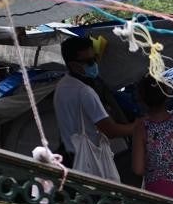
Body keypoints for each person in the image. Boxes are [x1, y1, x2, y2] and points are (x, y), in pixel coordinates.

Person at [53, 36, 133, 182]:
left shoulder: (61, 86)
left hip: (70, 156)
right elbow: (111, 130)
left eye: (95, 58)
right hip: (88, 161)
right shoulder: (84, 91)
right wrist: (137, 126)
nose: (94, 64)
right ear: (73, 64)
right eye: (89, 62)